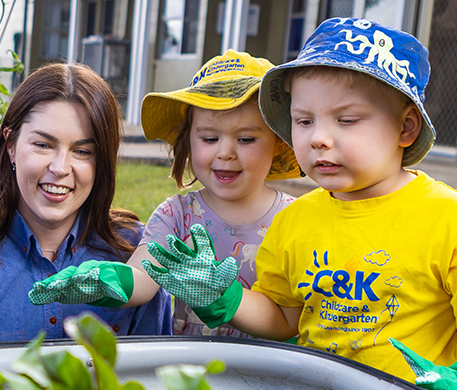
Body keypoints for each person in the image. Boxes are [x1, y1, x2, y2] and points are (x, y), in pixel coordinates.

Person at [145, 18, 457, 390]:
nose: (318, 139)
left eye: (346, 120)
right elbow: (283, 318)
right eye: (303, 121)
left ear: (406, 127)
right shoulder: (294, 220)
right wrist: (225, 297)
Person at [26, 50, 301, 339]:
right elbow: (144, 277)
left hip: (267, 375)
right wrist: (110, 281)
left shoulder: (294, 220)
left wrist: (227, 299)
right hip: (189, 376)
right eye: (209, 138)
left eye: (246, 139)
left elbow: (288, 321)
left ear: (279, 143)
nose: (225, 153)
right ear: (189, 139)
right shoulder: (178, 216)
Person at [0, 63, 172, 342]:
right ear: (11, 146)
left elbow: (155, 378)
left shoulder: (138, 254)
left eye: (82, 151)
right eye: (43, 145)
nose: (61, 167)